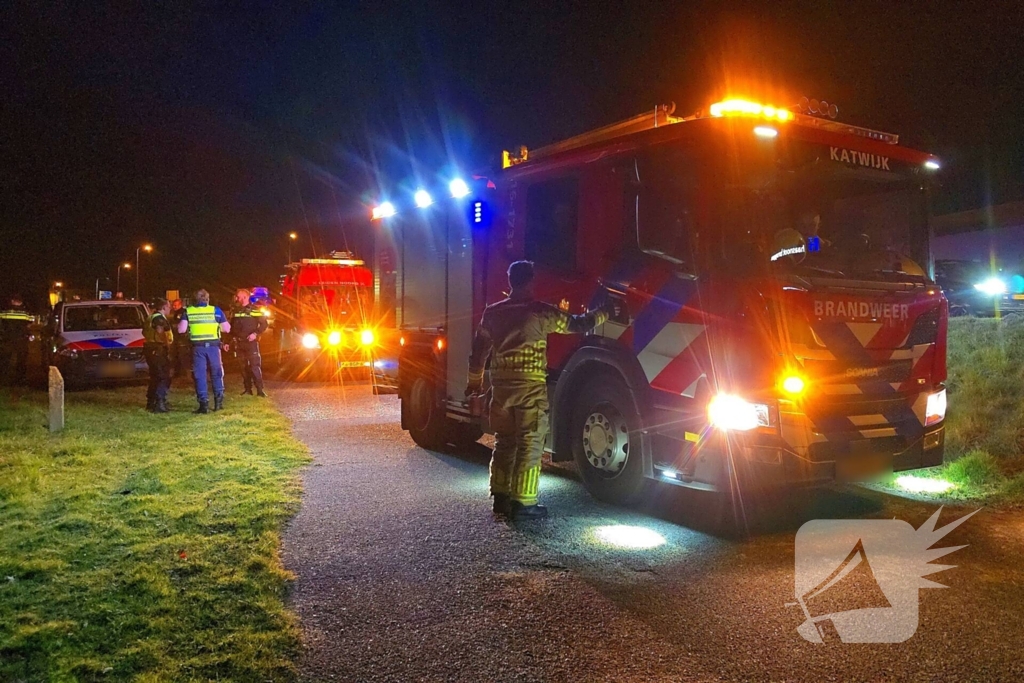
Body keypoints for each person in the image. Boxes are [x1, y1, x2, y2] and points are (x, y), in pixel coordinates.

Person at [467, 261, 610, 520]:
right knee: (530, 443)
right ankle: (524, 502)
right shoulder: (539, 313)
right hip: (529, 390)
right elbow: (579, 324)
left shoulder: (492, 313)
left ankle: (500, 497)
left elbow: (478, 354)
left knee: (504, 442)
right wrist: (605, 313)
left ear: (510, 281)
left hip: (500, 390)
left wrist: (474, 384)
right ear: (531, 282)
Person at [177, 289, 230, 414]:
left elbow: (181, 330)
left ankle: (203, 405)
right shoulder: (216, 310)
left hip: (198, 348)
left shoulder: (188, 311)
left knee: (200, 375)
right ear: (207, 298)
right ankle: (218, 403)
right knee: (216, 373)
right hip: (213, 347)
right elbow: (226, 329)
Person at [228, 288, 269, 397]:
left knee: (254, 367)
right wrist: (228, 341)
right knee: (243, 367)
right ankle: (247, 389)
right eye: (238, 297)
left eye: (241, 297)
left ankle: (260, 390)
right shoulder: (235, 311)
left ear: (246, 297)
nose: (239, 299)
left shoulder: (255, 310)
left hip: (251, 343)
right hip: (239, 343)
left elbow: (264, 324)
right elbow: (232, 328)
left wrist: (255, 334)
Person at [143, 298, 173, 413]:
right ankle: (159, 403)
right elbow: (160, 332)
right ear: (164, 307)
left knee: (155, 376)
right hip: (158, 349)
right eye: (169, 306)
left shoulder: (150, 317)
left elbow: (144, 332)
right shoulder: (159, 318)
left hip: (150, 348)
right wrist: (167, 346)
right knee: (163, 376)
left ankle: (151, 402)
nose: (170, 309)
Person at [0, 294, 32, 385]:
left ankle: (3, 377)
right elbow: (29, 324)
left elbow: (2, 324)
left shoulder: (5, 311)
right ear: (21, 302)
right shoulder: (26, 312)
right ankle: (20, 379)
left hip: (8, 338)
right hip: (22, 339)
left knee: (5, 358)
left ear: (12, 301)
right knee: (21, 360)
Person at [169, 298, 191, 377]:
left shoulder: (182, 313)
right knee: (176, 356)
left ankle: (186, 374)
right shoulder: (176, 313)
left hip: (182, 339)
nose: (173, 307)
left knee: (183, 356)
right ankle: (178, 373)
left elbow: (179, 326)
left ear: (180, 305)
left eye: (175, 305)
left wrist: (172, 327)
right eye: (173, 305)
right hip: (177, 338)